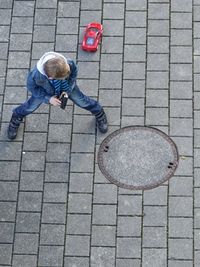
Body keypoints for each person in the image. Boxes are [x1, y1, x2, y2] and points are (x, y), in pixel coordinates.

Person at [7, 51, 108, 139]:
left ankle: (99, 112)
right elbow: (32, 88)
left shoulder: (67, 64)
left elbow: (73, 76)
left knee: (81, 100)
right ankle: (16, 118)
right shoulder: (35, 75)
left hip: (67, 87)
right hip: (44, 92)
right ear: (50, 77)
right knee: (30, 106)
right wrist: (48, 98)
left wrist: (67, 90)